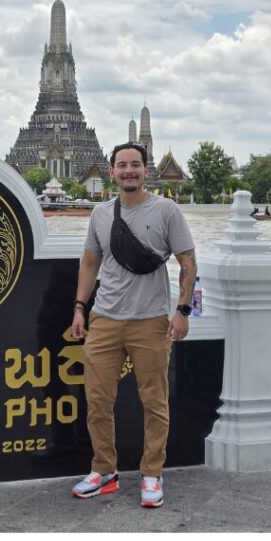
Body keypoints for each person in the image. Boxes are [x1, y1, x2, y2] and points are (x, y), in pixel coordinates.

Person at [69, 141, 197, 509]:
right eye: (122, 165)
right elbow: (90, 263)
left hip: (150, 321)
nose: (129, 171)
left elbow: (187, 261)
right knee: (97, 400)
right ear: (111, 171)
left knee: (154, 401)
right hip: (105, 319)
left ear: (146, 170)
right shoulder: (100, 215)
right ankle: (104, 471)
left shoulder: (167, 211)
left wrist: (183, 310)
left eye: (135, 165)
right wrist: (80, 307)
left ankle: (152, 473)